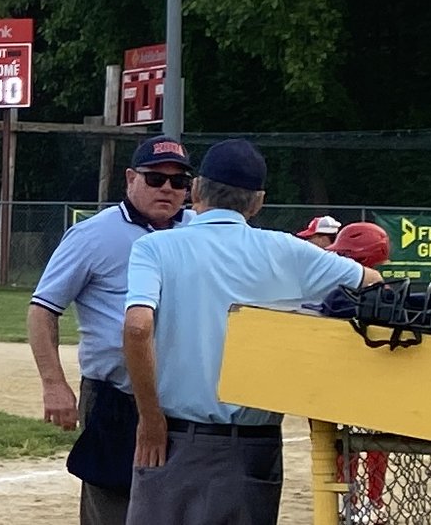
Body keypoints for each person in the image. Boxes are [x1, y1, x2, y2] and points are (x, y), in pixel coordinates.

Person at [122, 138, 384, 525]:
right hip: (253, 445)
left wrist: (150, 418)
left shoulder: (156, 247)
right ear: (257, 201)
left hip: (175, 439)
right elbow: (373, 283)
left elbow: (138, 325)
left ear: (195, 190)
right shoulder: (287, 251)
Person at [28, 134, 196, 525]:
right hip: (118, 397)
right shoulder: (93, 235)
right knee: (113, 504)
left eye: (179, 181)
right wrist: (54, 383)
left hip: (186, 400)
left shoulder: (197, 230)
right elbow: (43, 309)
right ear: (130, 178)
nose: (168, 189)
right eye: (155, 179)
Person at [327, 222, 393, 525]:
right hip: (376, 385)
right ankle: (369, 501)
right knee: (367, 444)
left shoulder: (344, 295)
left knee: (349, 443)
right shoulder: (389, 294)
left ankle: (356, 500)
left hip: (352, 383)